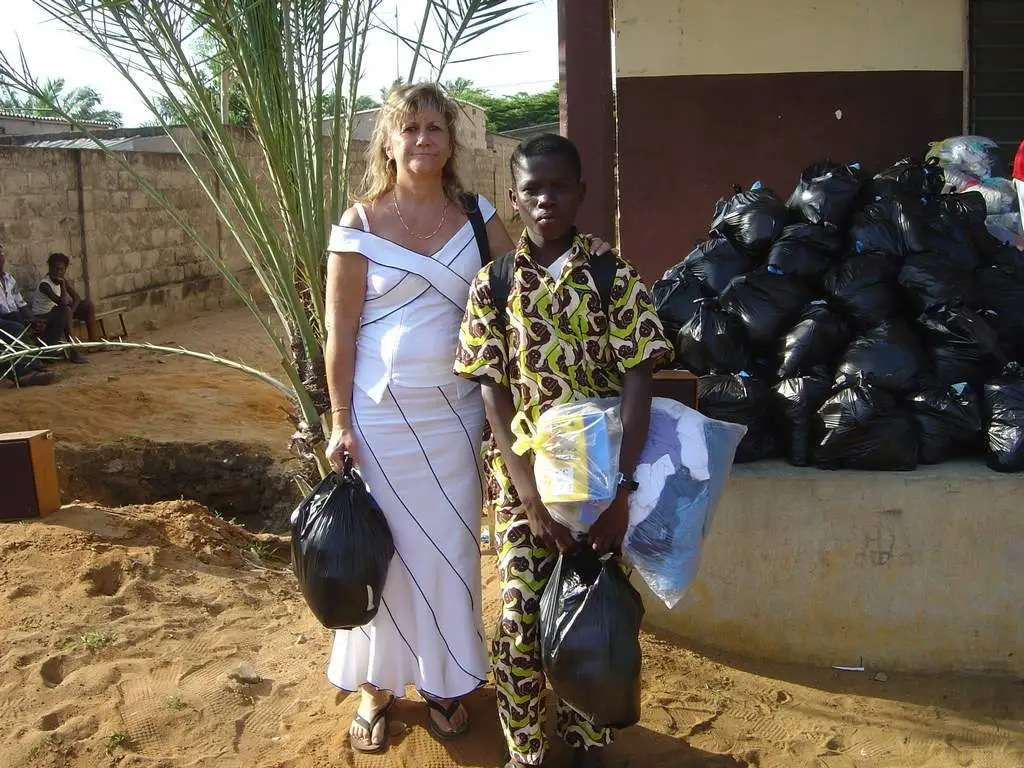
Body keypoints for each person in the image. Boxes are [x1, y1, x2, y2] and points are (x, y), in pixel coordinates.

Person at [323, 82, 614, 755]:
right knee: (383, 553)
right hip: (380, 421)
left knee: (448, 552)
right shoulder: (358, 224)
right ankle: (376, 687)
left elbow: (529, 278)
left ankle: (445, 682)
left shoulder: (478, 216)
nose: (422, 140)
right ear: (388, 142)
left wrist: (586, 255)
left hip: (458, 419)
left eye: (435, 128)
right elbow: (340, 334)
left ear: (451, 142)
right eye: (410, 128)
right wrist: (338, 422)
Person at [454, 134, 674, 768]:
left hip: (601, 484)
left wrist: (622, 492)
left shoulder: (613, 276)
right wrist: (529, 498)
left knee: (593, 613)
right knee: (518, 622)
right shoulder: (494, 283)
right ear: (514, 199)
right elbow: (493, 392)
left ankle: (587, 739)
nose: (545, 199)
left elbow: (639, 380)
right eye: (532, 189)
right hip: (524, 485)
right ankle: (526, 748)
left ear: (581, 193)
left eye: (558, 187)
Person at [0, 241, 56, 385]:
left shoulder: (9, 280)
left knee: (22, 320)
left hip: (9, 317)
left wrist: (34, 320)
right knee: (15, 327)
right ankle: (24, 373)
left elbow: (21, 304)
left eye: (1, 255)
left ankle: (34, 362)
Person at [31, 252, 94, 362]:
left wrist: (71, 312)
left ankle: (95, 344)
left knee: (87, 305)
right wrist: (63, 285)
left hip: (57, 311)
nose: (58, 272)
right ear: (50, 268)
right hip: (43, 315)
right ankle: (74, 352)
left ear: (65, 270)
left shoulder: (62, 280)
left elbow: (77, 298)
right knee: (66, 310)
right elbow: (63, 302)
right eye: (55, 269)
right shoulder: (44, 285)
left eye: (61, 269)